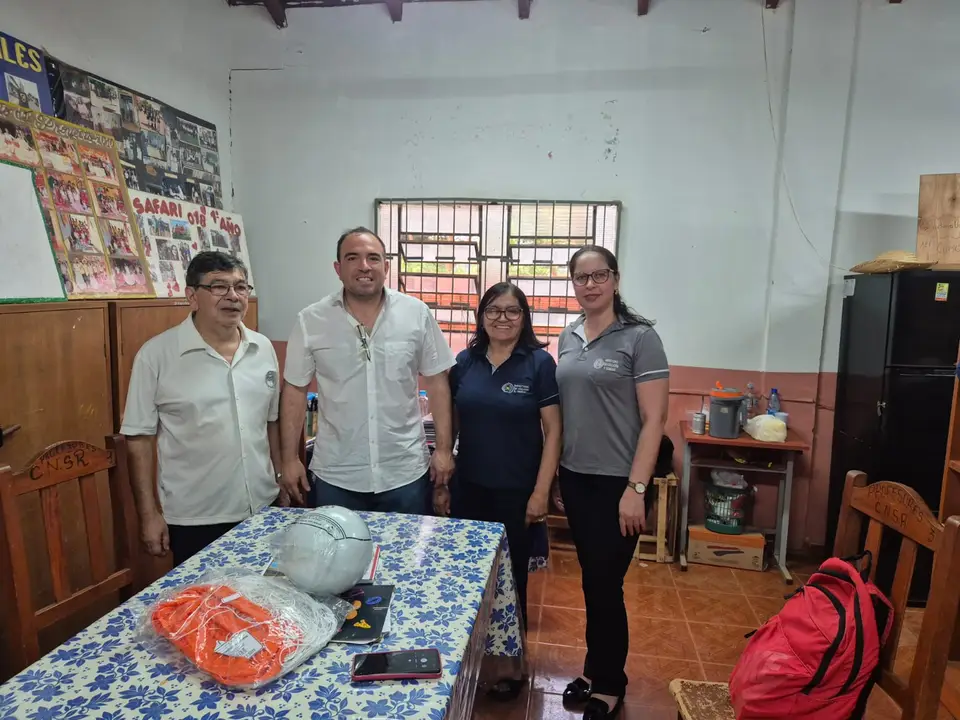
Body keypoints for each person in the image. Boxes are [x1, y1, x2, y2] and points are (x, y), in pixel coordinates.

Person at [555, 245, 669, 720]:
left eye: (599, 275)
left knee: (605, 585)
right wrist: (559, 475)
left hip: (618, 484)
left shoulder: (640, 339)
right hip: (576, 479)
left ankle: (610, 682)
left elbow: (654, 419)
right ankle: (593, 668)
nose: (590, 284)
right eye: (581, 278)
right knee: (592, 582)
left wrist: (636, 489)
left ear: (615, 280)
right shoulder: (568, 336)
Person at [434, 282, 562, 701]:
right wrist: (445, 480)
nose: (502, 319)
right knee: (467, 579)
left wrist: (541, 491)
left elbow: (554, 430)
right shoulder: (465, 362)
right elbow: (449, 426)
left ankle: (508, 666)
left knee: (511, 580)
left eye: (512, 312)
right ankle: (467, 661)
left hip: (516, 492)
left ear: (524, 318)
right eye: (493, 310)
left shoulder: (539, 363)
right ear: (481, 315)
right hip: (470, 487)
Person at [121, 252, 283, 567]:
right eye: (219, 287)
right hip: (195, 519)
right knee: (204, 611)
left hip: (264, 507)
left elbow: (271, 421)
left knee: (265, 605)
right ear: (192, 297)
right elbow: (138, 438)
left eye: (240, 287)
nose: (233, 296)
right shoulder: (156, 356)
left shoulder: (263, 348)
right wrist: (149, 514)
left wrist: (278, 478)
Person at [279, 227, 456, 514]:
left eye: (373, 258)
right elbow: (295, 391)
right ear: (338, 268)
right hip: (337, 474)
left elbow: (437, 382)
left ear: (386, 266)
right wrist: (289, 459)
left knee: (405, 558)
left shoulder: (416, 313)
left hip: (405, 472)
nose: (364, 266)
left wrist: (445, 450)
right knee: (337, 558)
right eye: (352, 258)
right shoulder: (311, 320)